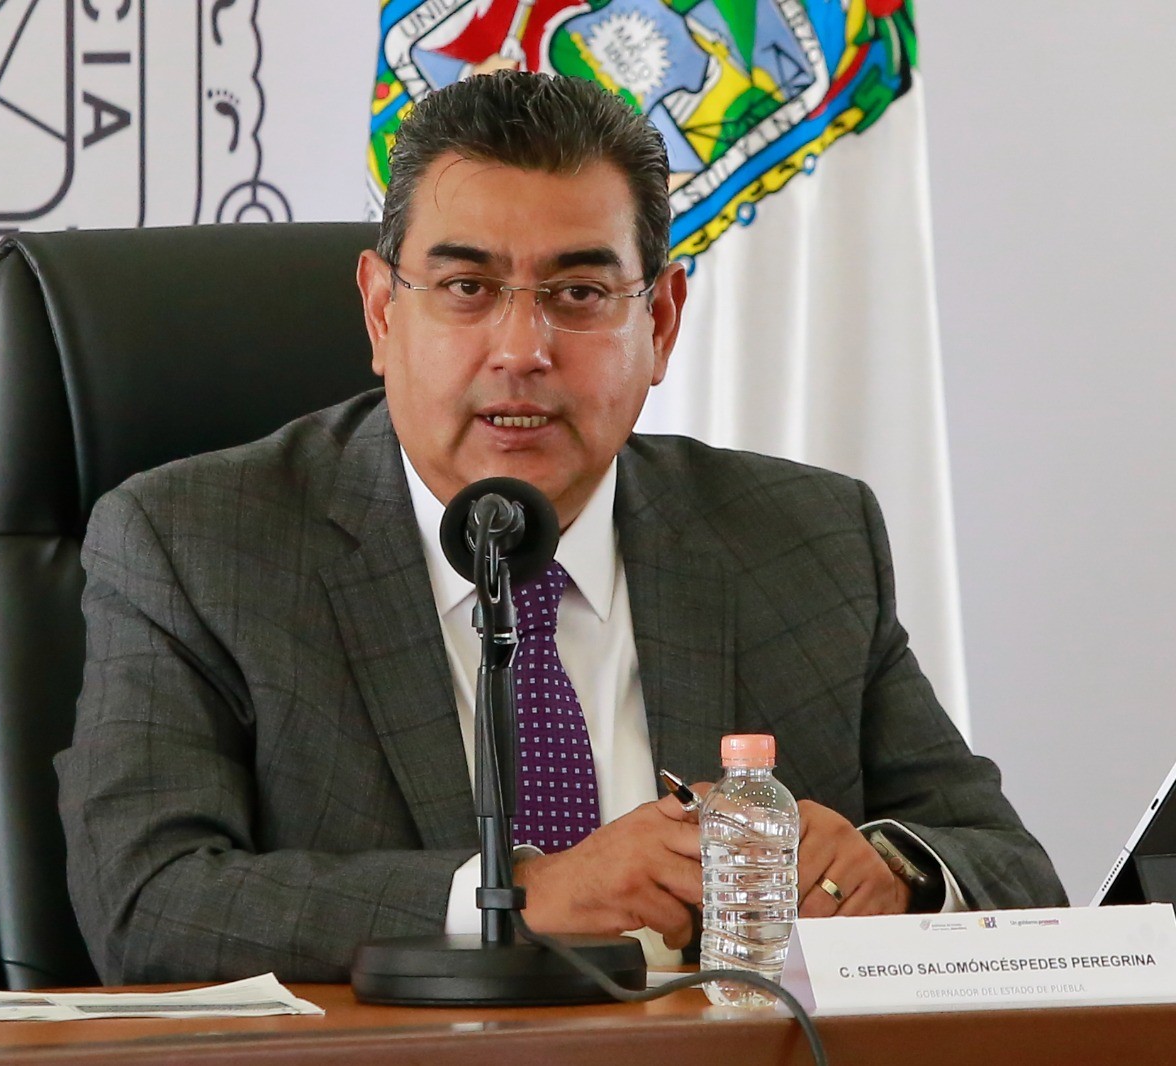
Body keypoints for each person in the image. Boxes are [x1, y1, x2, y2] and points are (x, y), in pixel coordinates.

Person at [55, 71, 1065, 985]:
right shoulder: (196, 544)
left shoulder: (801, 538)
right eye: (467, 289)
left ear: (660, 323)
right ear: (381, 313)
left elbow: (1010, 867)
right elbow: (149, 902)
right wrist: (521, 898)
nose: (522, 348)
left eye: (578, 293)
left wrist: (890, 873)